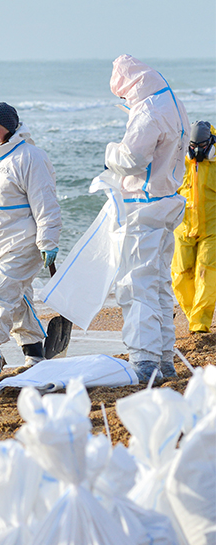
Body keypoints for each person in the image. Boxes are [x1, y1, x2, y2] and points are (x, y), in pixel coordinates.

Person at [105, 54, 189, 382]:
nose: (123, 100)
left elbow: (132, 158)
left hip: (144, 205)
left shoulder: (148, 111)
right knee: (158, 285)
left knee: (136, 285)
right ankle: (164, 358)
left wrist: (109, 153)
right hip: (166, 202)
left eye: (122, 95)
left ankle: (144, 359)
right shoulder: (172, 103)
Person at [0, 101, 62, 378]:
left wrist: (48, 241)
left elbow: (45, 202)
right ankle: (35, 354)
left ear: (10, 126)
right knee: (16, 297)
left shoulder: (30, 157)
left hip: (25, 241)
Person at [172, 121, 216, 335]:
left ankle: (199, 325)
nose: (197, 151)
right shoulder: (178, 158)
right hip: (183, 226)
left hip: (213, 229)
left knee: (206, 274)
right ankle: (193, 317)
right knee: (180, 276)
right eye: (193, 146)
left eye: (202, 146)